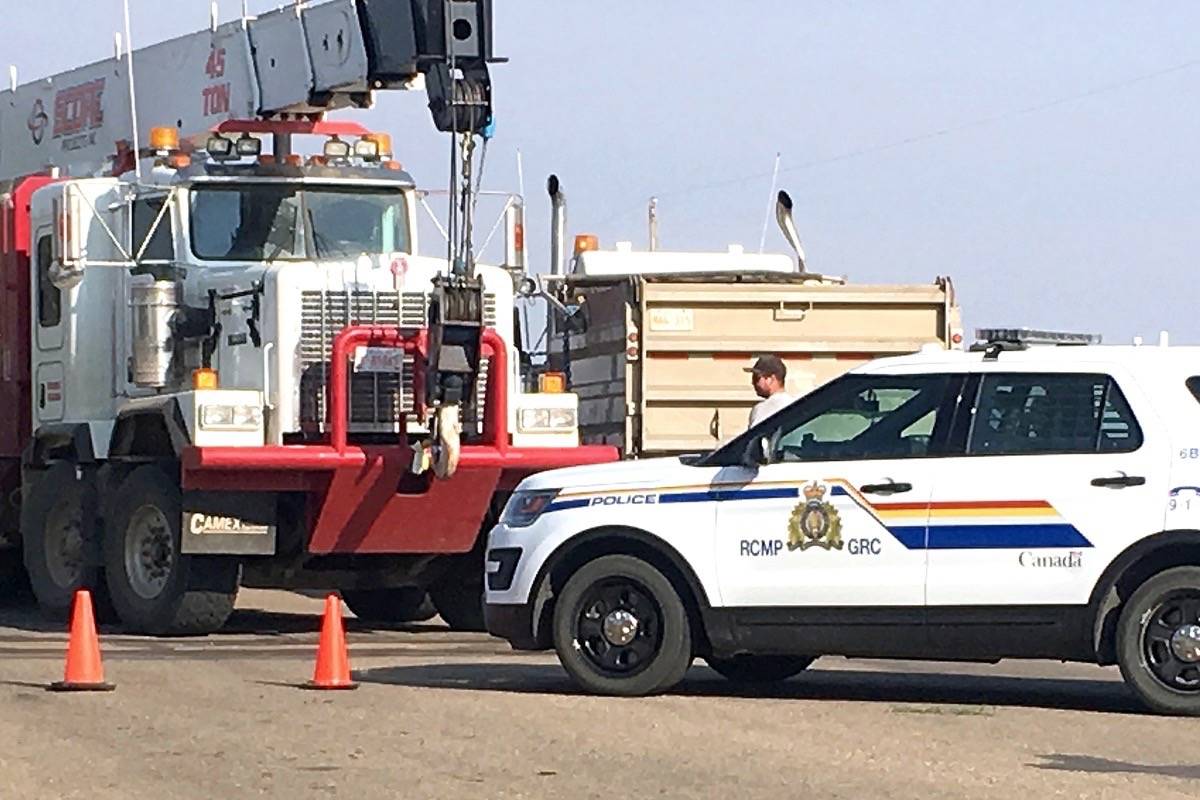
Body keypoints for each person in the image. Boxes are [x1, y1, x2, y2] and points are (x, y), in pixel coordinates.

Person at [745, 354, 794, 428]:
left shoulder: (761, 409)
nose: (753, 382)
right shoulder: (793, 404)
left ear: (771, 379)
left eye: (757, 378)